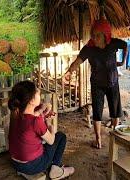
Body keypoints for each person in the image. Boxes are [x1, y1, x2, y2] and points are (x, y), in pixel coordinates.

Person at [65, 18, 128, 149]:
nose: (94, 38)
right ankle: (98, 140)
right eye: (93, 35)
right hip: (97, 84)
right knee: (97, 112)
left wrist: (122, 62)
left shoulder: (113, 44)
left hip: (113, 82)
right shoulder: (89, 48)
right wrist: (69, 71)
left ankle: (114, 137)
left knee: (115, 111)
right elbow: (78, 61)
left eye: (97, 35)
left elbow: (125, 45)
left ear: (106, 35)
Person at [8, 81, 74, 179]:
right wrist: (49, 123)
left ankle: (52, 166)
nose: (40, 95)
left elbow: (30, 119)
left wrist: (41, 110)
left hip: (15, 162)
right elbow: (51, 141)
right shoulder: (35, 121)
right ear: (31, 100)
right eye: (38, 94)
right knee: (60, 137)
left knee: (37, 142)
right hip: (33, 166)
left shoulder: (15, 113)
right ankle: (56, 169)